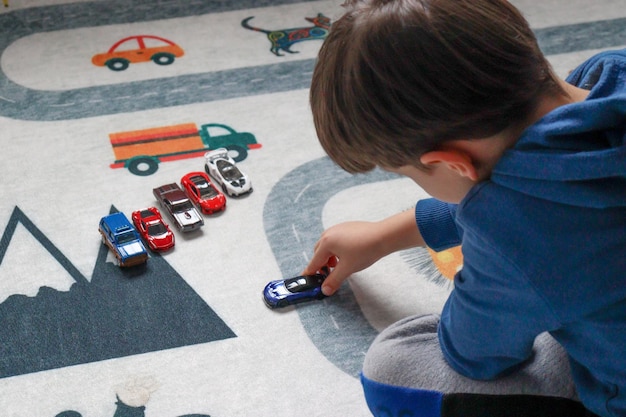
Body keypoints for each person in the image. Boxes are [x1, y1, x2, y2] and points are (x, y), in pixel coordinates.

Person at [301, 0, 626, 416]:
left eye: (412, 174)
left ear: (449, 164)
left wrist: (492, 274)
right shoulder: (608, 71)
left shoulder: (513, 235)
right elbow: (546, 194)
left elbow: (476, 356)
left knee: (393, 369)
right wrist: (389, 233)